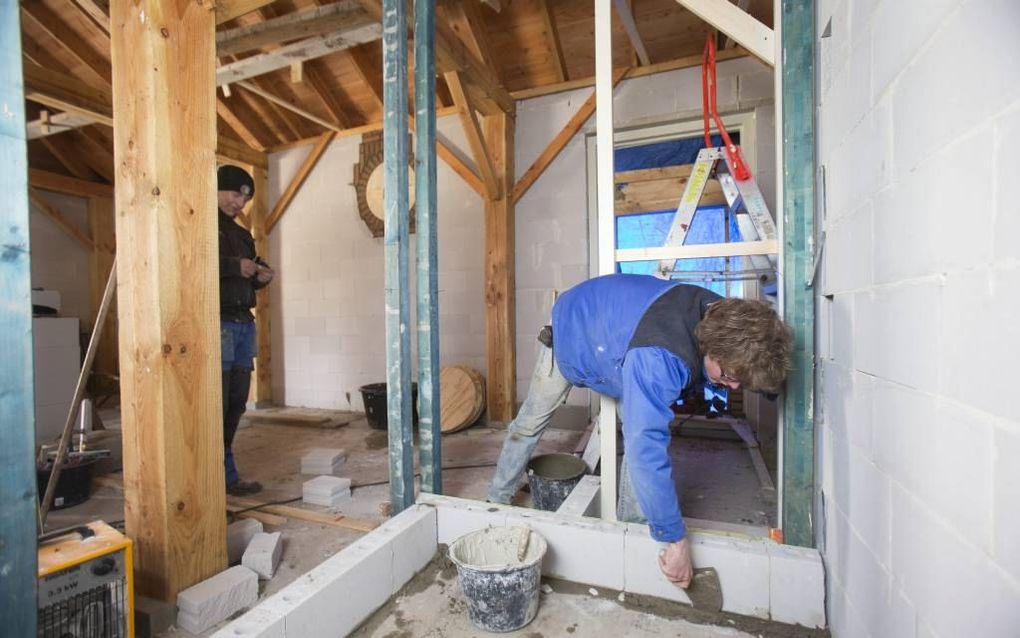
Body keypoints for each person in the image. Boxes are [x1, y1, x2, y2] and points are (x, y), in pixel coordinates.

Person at [487, 273, 792, 589]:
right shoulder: (660, 357)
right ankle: (495, 500)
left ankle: (631, 528)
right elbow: (646, 448)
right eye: (728, 376)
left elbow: (751, 361)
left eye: (740, 381)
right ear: (710, 349)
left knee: (639, 427)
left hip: (622, 341)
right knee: (531, 423)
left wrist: (769, 386)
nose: (734, 386)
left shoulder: (723, 317)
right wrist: (674, 539)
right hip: (575, 328)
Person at [217, 165, 275, 496]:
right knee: (218, 402)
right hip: (218, 322)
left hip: (242, 324)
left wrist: (259, 278)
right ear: (218, 188)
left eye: (245, 198)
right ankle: (216, 477)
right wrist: (234, 266)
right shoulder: (200, 224)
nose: (240, 202)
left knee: (237, 402)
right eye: (235, 194)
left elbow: (248, 272)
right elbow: (193, 262)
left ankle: (227, 474)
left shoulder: (240, 233)